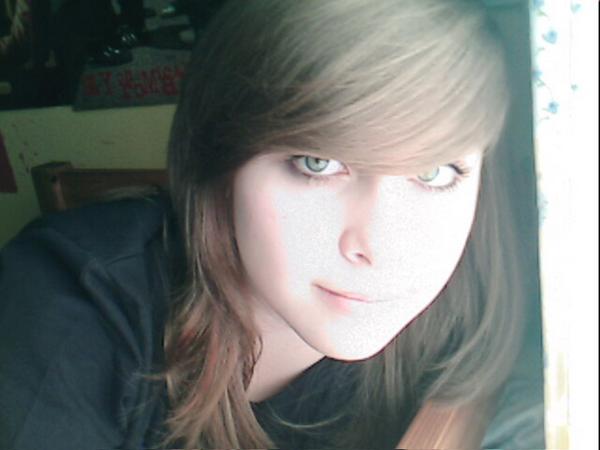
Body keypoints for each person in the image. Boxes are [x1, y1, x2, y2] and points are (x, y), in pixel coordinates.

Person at [0, 0, 545, 448]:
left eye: (433, 172)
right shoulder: (65, 309)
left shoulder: (473, 300)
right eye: (317, 163)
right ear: (219, 162)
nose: (381, 245)